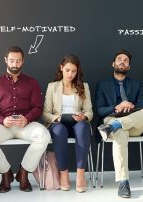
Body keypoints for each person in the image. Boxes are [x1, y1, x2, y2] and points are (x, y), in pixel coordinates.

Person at [0, 46, 51, 193]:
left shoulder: (32, 82)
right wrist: (2, 120)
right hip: (3, 125)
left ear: (23, 61)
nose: (14, 64)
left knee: (44, 135)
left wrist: (27, 119)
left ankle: (23, 173)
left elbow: (38, 107)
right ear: (6, 60)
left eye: (18, 61)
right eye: (11, 61)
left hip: (25, 124)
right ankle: (6, 173)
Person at [96, 49, 143, 198]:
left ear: (129, 67)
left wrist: (131, 105)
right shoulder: (102, 84)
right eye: (119, 59)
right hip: (111, 118)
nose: (122, 62)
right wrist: (116, 107)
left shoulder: (136, 84)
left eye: (126, 60)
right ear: (113, 63)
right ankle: (123, 182)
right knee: (120, 133)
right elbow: (100, 110)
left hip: (134, 122)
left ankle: (117, 125)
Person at [42, 54, 93, 192]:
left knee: (82, 127)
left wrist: (83, 116)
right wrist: (56, 118)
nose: (70, 74)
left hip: (77, 123)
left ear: (77, 71)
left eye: (74, 71)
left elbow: (89, 111)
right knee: (59, 130)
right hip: (59, 122)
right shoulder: (52, 87)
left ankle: (80, 175)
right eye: (67, 70)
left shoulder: (83, 86)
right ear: (61, 68)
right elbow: (45, 113)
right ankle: (63, 174)